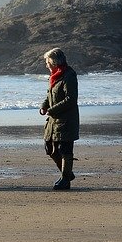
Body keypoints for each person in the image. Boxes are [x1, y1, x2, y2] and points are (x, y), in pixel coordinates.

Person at [39, 48, 79, 190]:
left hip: (66, 120)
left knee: (65, 149)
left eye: (47, 62)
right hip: (53, 121)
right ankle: (67, 174)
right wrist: (44, 106)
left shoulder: (69, 75)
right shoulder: (54, 76)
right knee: (49, 148)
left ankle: (65, 179)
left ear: (54, 61)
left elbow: (71, 99)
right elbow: (49, 96)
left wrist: (52, 110)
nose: (46, 65)